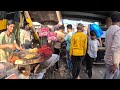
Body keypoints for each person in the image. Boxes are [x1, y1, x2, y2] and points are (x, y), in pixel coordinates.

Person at [104, 11, 120, 79]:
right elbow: (115, 48)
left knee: (111, 76)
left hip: (108, 59)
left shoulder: (108, 30)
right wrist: (115, 64)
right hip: (112, 61)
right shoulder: (118, 30)